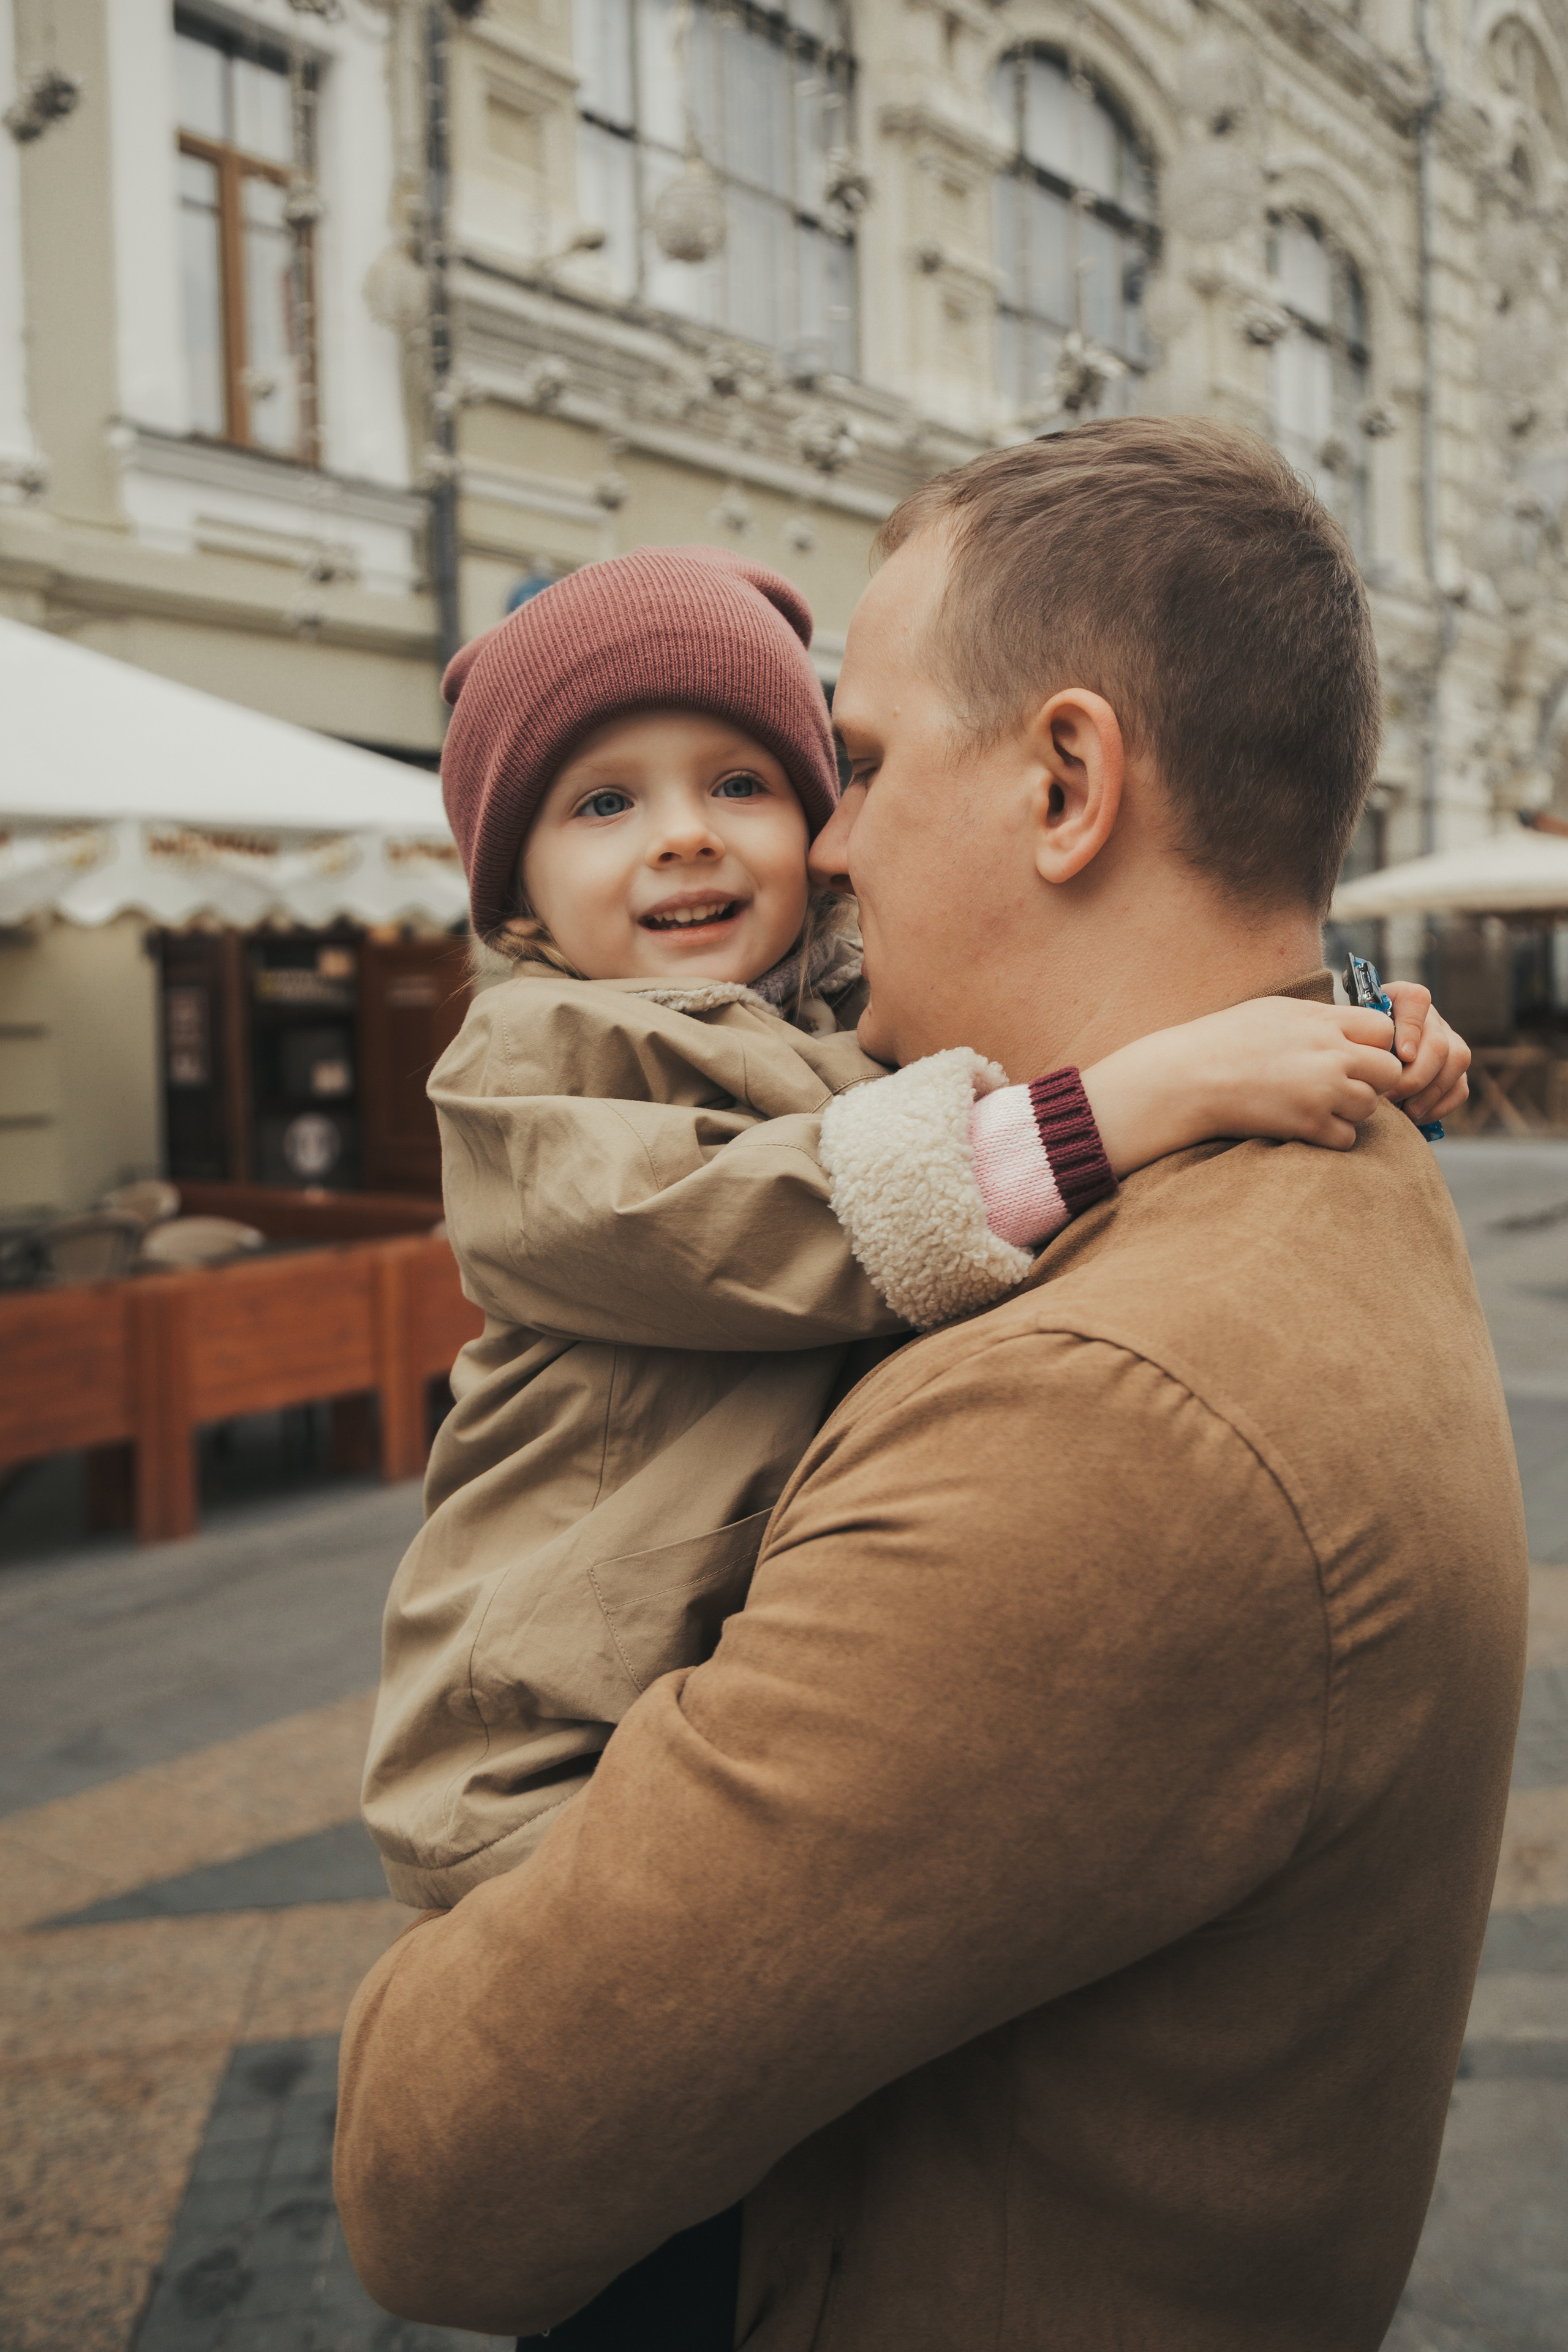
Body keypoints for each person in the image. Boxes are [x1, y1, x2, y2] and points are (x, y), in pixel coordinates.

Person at [334, 420, 1528, 2352]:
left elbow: (430, 2176)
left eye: (850, 765)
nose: (819, 838)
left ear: (1069, 782)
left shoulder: (1110, 1422)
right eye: (609, 806)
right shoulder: (1283, 1196)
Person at [362, 544, 1459, 1910]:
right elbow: (746, 1226)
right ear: (516, 893)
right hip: (534, 1726)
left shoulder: (838, 1012)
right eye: (601, 802)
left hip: (699, 1683)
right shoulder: (526, 1072)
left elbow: (1111, 982)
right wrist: (1129, 1102)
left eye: (741, 782)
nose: (685, 832)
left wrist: (1343, 1020)